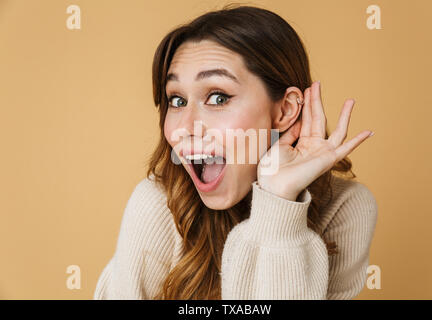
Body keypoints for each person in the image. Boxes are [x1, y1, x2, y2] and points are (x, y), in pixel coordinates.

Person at [94, 4, 378, 300]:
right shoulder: (157, 206)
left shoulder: (346, 208)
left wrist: (279, 204)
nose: (185, 127)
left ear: (285, 110)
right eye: (176, 100)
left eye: (217, 97)